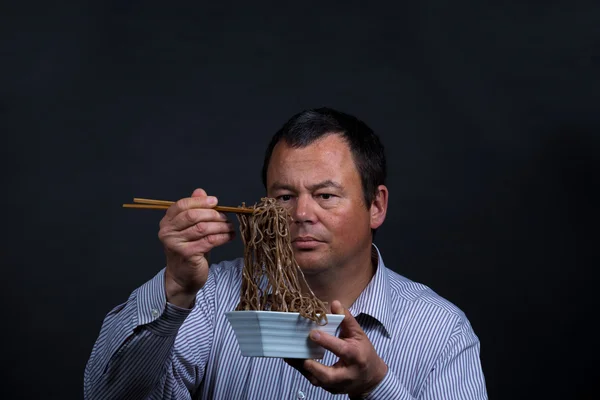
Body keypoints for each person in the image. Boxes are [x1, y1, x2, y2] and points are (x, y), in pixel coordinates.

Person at [84, 107, 488, 399]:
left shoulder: (440, 331)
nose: (300, 214)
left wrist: (376, 389)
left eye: (325, 195)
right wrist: (175, 288)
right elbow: (109, 394)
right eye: (283, 196)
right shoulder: (211, 297)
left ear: (376, 206)